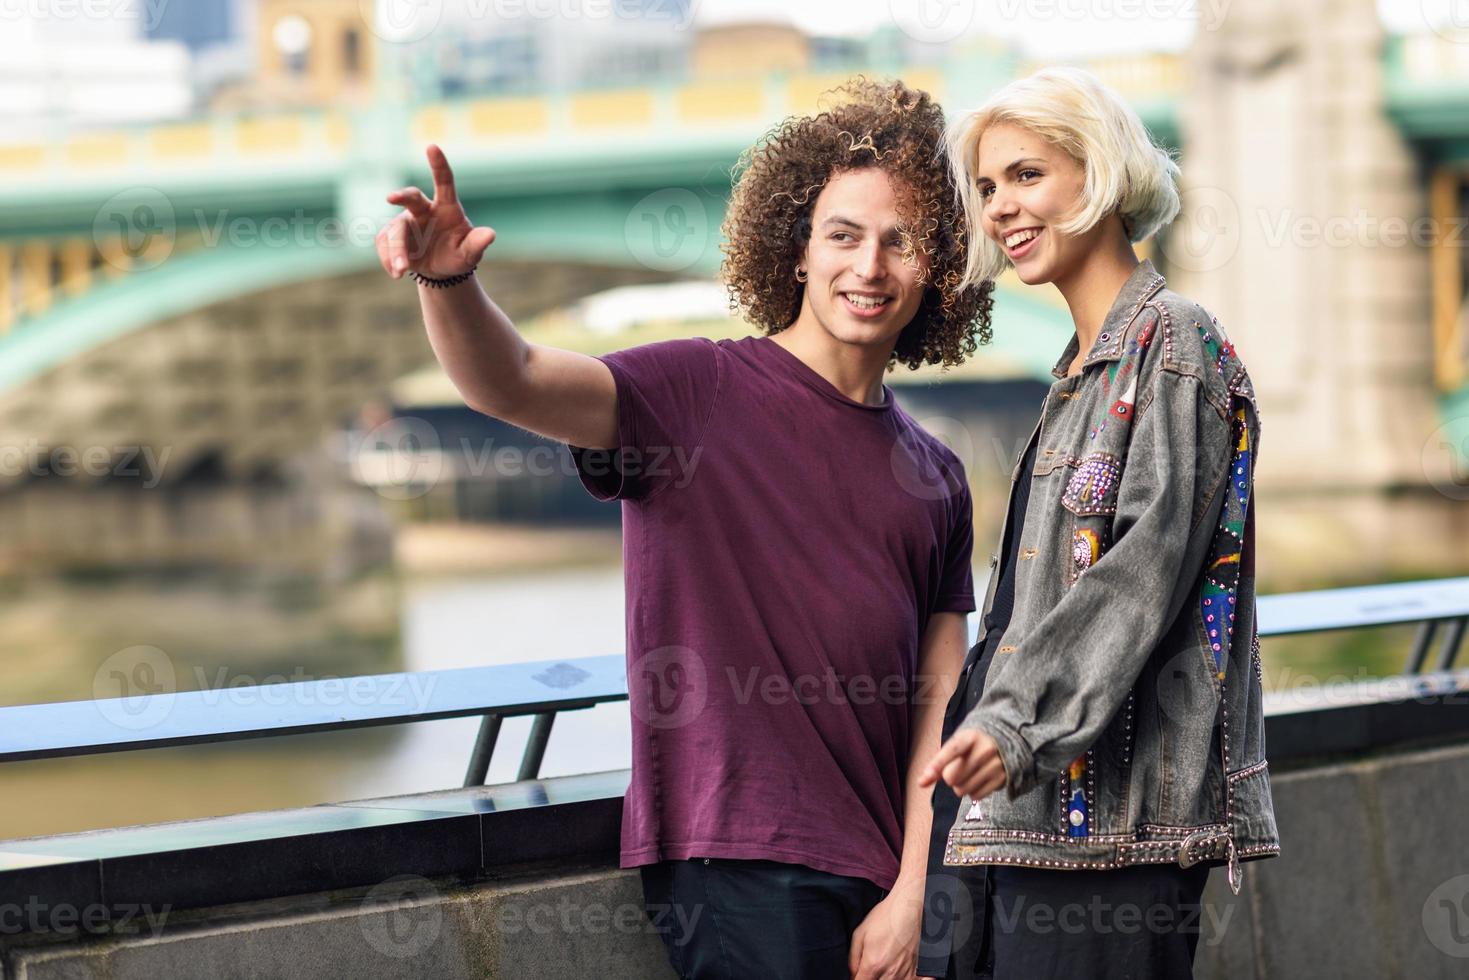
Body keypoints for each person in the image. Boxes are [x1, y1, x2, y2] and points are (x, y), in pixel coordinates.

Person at [375, 78, 993, 979]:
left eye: (901, 242)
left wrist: (913, 893)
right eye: (843, 235)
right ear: (796, 251)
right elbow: (509, 379)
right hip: (739, 862)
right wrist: (448, 281)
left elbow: (937, 712)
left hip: (892, 883)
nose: (868, 267)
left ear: (935, 269)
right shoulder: (691, 395)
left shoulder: (935, 475)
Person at [915, 67, 1280, 980]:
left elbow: (1142, 567)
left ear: (1103, 172)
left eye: (1027, 175)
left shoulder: (1175, 347)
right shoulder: (1076, 374)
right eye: (989, 187)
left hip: (1115, 839)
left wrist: (1011, 729)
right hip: (1008, 821)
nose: (1000, 206)